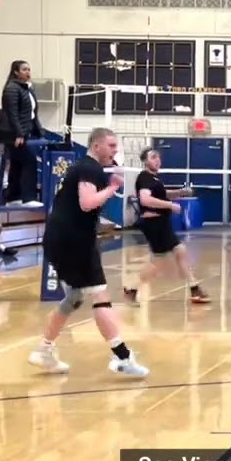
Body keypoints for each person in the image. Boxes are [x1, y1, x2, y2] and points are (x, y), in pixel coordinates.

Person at [27, 128, 148, 377]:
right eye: (112, 146)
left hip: (60, 238)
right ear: (96, 146)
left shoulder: (87, 168)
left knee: (74, 297)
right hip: (74, 241)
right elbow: (87, 203)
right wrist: (112, 187)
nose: (116, 151)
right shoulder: (89, 168)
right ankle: (123, 357)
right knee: (99, 295)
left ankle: (43, 350)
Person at [122, 148, 208, 306]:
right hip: (154, 225)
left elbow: (160, 194)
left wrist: (180, 192)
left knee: (178, 252)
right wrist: (170, 205)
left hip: (161, 224)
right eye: (153, 157)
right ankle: (131, 290)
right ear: (145, 161)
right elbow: (146, 200)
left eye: (158, 158)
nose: (157, 160)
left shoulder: (154, 179)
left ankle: (194, 289)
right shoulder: (145, 177)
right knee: (158, 262)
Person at [0, 60, 43, 208]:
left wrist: (39, 131)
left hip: (24, 132)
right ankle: (28, 197)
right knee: (29, 160)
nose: (28, 72)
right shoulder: (12, 88)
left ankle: (12, 197)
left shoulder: (27, 89)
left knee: (17, 164)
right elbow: (12, 114)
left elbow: (31, 114)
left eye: (29, 69)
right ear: (16, 72)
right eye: (24, 69)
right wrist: (19, 134)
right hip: (12, 134)